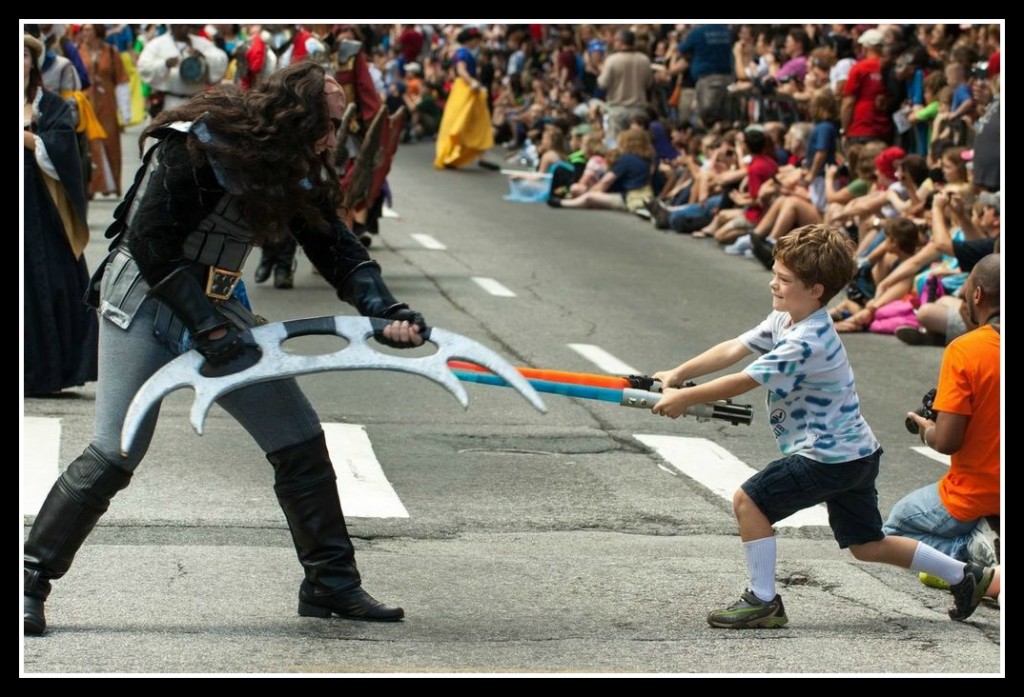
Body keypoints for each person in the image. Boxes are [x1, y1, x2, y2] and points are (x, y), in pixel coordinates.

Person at [23, 61, 427, 636]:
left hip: (218, 304)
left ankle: (329, 585)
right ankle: (29, 581)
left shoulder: (297, 168)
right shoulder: (199, 143)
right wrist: (204, 329)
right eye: (327, 123)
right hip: (143, 301)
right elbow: (150, 240)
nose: (333, 138)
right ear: (296, 114)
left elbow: (335, 246)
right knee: (114, 452)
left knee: (300, 441)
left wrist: (385, 311)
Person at [649, 224, 995, 628]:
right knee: (868, 544)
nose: (773, 285)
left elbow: (746, 378)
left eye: (784, 280)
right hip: (856, 454)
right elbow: (735, 347)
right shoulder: (786, 319)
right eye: (775, 275)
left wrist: (683, 398)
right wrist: (677, 372)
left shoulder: (808, 339)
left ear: (816, 290)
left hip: (827, 456)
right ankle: (964, 575)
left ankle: (763, 600)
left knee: (750, 501)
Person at [885, 254, 1000, 576]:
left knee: (893, 534)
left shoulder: (967, 349)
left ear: (977, 295)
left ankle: (977, 552)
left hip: (978, 492)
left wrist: (927, 429)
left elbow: (947, 441)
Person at [23, 33, 98, 398]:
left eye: (22, 55)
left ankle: (47, 372)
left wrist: (28, 138)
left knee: (50, 283)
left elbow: (64, 147)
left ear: (32, 64)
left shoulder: (49, 107)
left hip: (43, 211)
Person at [76, 23, 132, 198]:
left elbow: (122, 80)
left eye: (88, 29)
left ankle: (111, 185)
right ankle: (91, 186)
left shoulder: (111, 51)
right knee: (89, 143)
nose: (84, 33)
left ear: (97, 32)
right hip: (86, 103)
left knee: (110, 141)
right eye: (83, 30)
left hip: (107, 103)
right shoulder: (77, 52)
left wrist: (125, 110)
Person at [434, 27, 494, 170]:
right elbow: (461, 71)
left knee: (476, 121)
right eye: (476, 40)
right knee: (461, 122)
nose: (478, 43)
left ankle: (479, 153)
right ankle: (452, 154)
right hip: (465, 89)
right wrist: (472, 82)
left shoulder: (466, 52)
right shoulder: (462, 53)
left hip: (468, 89)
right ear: (471, 40)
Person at [136, 24, 228, 115]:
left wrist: (205, 57)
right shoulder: (157, 44)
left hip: (197, 102)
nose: (184, 27)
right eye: (180, 25)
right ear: (171, 25)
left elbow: (222, 58)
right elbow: (144, 67)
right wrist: (165, 64)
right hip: (171, 103)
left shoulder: (201, 43)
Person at [597, 28, 652, 141]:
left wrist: (601, 70)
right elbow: (649, 84)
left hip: (618, 109)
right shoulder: (644, 60)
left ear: (620, 41)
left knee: (616, 143)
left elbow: (602, 83)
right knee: (637, 143)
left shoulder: (612, 60)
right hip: (638, 109)